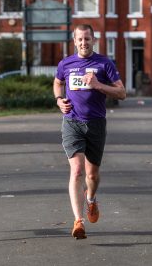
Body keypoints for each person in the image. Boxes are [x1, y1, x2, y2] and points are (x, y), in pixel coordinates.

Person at [53, 24, 126, 239]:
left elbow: (121, 93)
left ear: (94, 40)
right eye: (80, 39)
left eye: (87, 39)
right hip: (72, 122)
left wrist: (98, 85)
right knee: (76, 171)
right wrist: (59, 100)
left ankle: (91, 199)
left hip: (96, 124)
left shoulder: (104, 63)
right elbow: (57, 83)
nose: (84, 43)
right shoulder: (66, 63)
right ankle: (78, 221)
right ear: (74, 41)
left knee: (92, 175)